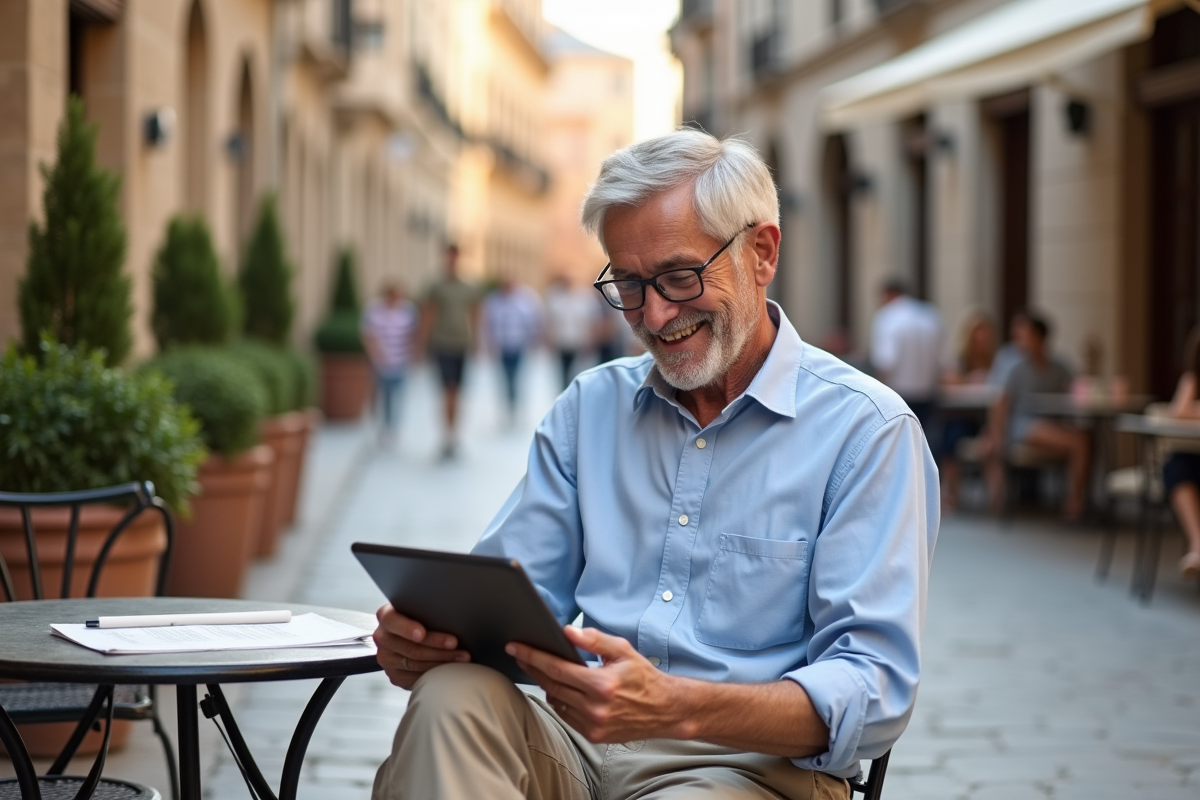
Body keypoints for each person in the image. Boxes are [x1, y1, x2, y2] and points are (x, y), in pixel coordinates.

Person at [371, 129, 938, 800]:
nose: (655, 314)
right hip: (581, 748)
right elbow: (509, 602)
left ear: (761, 252)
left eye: (679, 276)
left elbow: (873, 689)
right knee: (452, 696)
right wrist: (434, 641)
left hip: (748, 770)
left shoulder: (864, 431)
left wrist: (679, 705)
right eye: (630, 284)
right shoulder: (592, 406)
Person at [985, 312, 1089, 521]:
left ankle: (1077, 499)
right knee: (1079, 443)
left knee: (1087, 439)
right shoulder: (1014, 366)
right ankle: (1075, 503)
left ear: (1039, 337)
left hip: (1052, 423)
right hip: (1024, 426)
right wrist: (996, 437)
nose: (1018, 339)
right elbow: (1001, 405)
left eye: (1024, 334)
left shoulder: (1060, 366)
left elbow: (1078, 391)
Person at [419, 244, 480, 460]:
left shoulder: (468, 286)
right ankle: (447, 436)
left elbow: (475, 313)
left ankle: (454, 435)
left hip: (461, 343)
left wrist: (477, 342)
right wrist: (422, 344)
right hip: (441, 343)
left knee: (458, 392)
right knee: (447, 390)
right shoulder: (436, 286)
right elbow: (427, 314)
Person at [870, 277, 943, 438]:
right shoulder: (929, 314)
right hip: (928, 394)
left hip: (898, 395)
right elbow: (940, 359)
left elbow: (886, 363)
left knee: (902, 445)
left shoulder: (887, 316)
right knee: (925, 443)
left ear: (888, 295)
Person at [939, 311, 997, 510]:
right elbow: (948, 383)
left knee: (995, 434)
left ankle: (996, 498)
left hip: (988, 418)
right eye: (977, 334)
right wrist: (972, 380)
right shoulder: (958, 359)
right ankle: (950, 493)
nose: (981, 339)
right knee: (953, 433)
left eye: (985, 334)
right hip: (964, 415)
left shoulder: (996, 361)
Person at [361, 282, 418, 446]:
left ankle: (394, 426)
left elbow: (413, 334)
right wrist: (376, 355)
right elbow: (368, 334)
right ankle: (384, 425)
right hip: (381, 361)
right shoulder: (375, 310)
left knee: (398, 394)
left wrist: (413, 355)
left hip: (401, 360)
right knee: (384, 395)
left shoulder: (408, 311)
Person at [1163, 325, 1200, 580]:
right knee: (1178, 468)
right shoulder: (1193, 378)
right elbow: (1178, 412)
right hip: (1192, 456)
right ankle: (1198, 546)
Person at [481, 276, 543, 422]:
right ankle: (508, 404)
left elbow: (535, 320)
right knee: (505, 376)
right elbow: (488, 323)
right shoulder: (494, 301)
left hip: (519, 344)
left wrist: (536, 340)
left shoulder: (526, 299)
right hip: (502, 344)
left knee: (518, 376)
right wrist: (488, 343)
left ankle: (516, 404)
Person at [544, 274, 601, 388]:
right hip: (562, 341)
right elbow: (550, 320)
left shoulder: (585, 297)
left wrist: (592, 340)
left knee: (578, 371)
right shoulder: (554, 297)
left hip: (579, 341)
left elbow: (593, 321)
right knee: (563, 372)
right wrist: (549, 339)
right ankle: (565, 390)